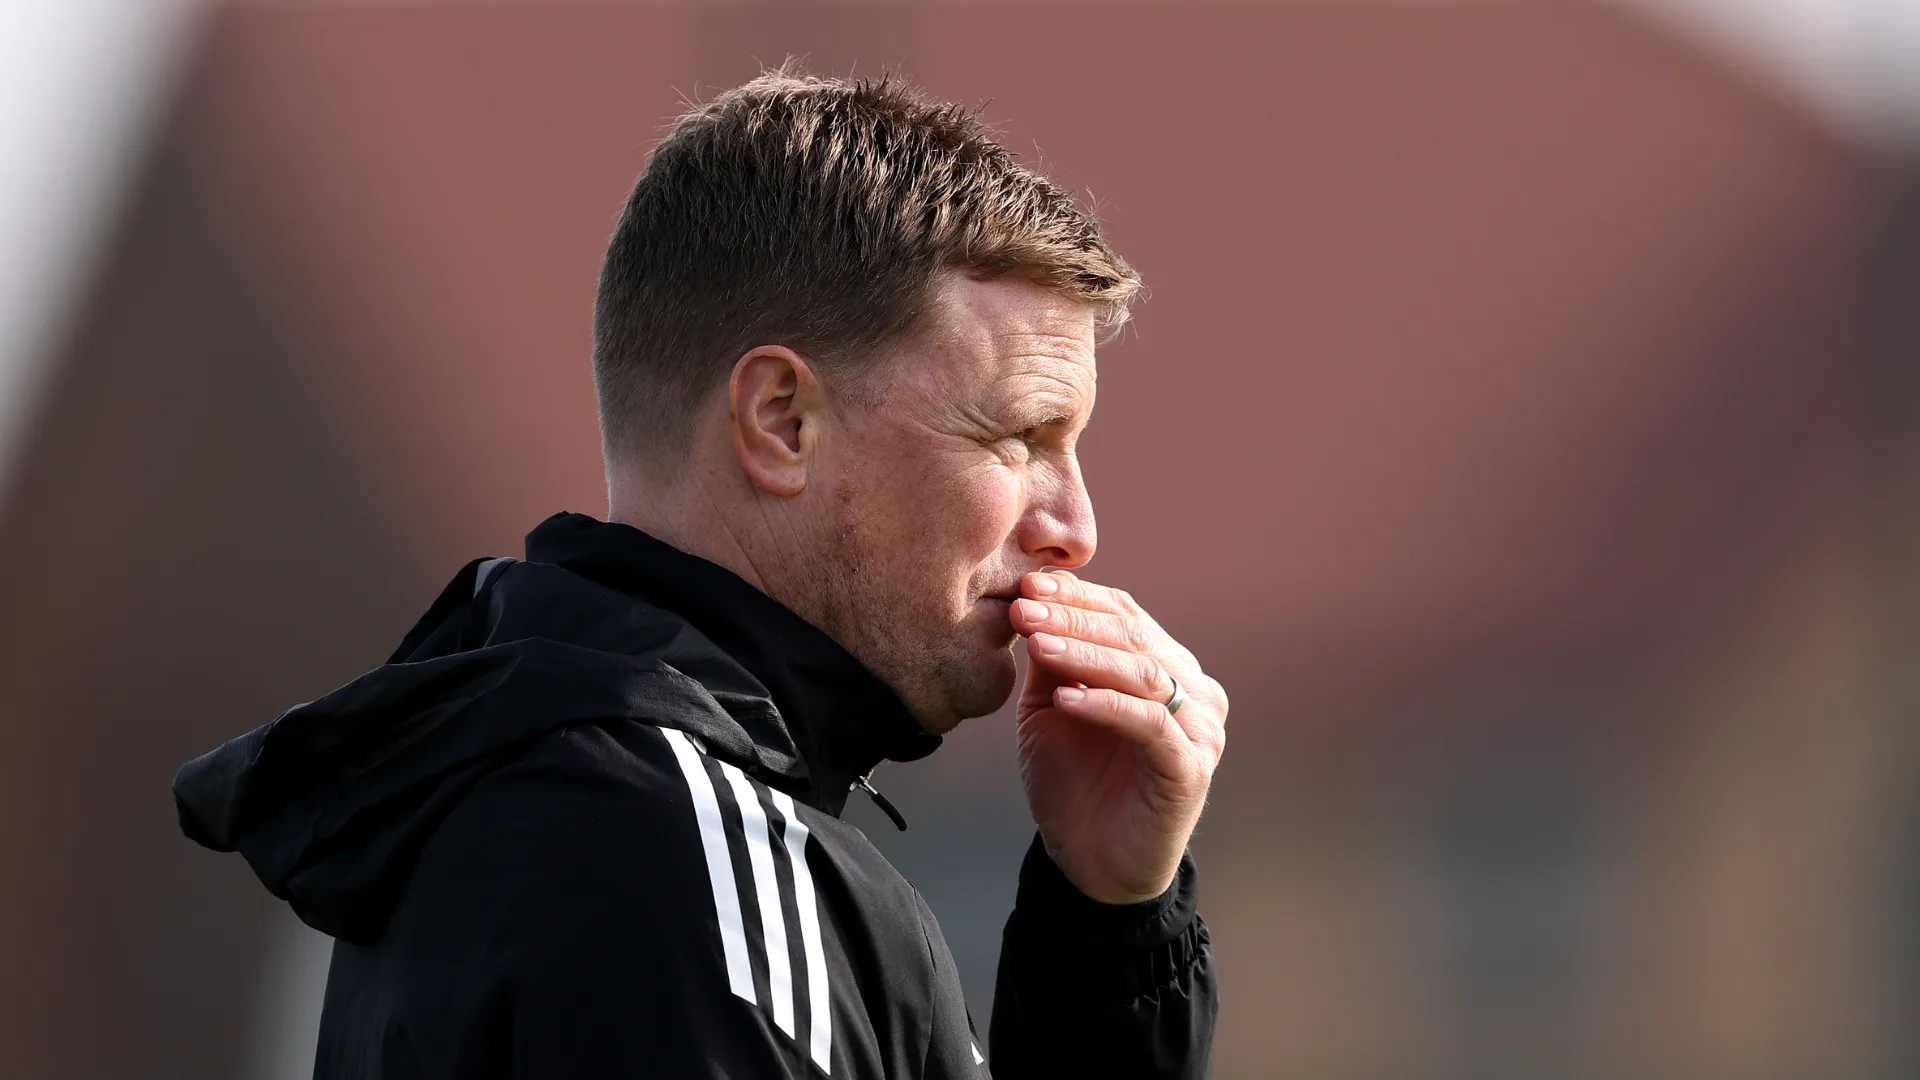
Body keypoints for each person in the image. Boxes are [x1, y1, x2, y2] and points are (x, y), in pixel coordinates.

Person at [174, 65, 1227, 1079]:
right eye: (1017, 437)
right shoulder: (682, 868)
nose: (1074, 526)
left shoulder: (510, 791)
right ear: (782, 421)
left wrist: (1111, 923)